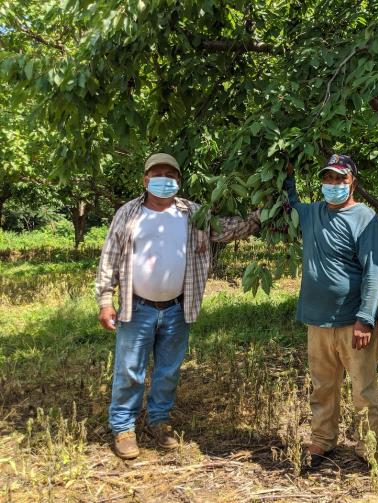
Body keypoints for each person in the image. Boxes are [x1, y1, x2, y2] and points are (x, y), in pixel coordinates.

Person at [96, 153, 260, 460]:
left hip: (177, 308)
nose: (164, 179)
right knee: (129, 370)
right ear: (145, 180)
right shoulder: (129, 213)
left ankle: (159, 421)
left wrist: (260, 214)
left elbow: (225, 230)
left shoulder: (192, 212)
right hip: (137, 307)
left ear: (179, 181)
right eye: (157, 174)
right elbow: (110, 256)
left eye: (171, 174)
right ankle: (123, 427)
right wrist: (106, 300)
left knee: (168, 371)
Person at [284, 154, 378, 467]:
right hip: (318, 320)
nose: (333, 185)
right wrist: (286, 172)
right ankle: (322, 441)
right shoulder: (312, 212)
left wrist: (366, 319)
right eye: (328, 178)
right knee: (322, 385)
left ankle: (369, 448)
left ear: (352, 181)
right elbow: (287, 201)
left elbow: (374, 271)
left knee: (363, 389)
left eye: (340, 179)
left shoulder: (365, 219)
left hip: (353, 322)